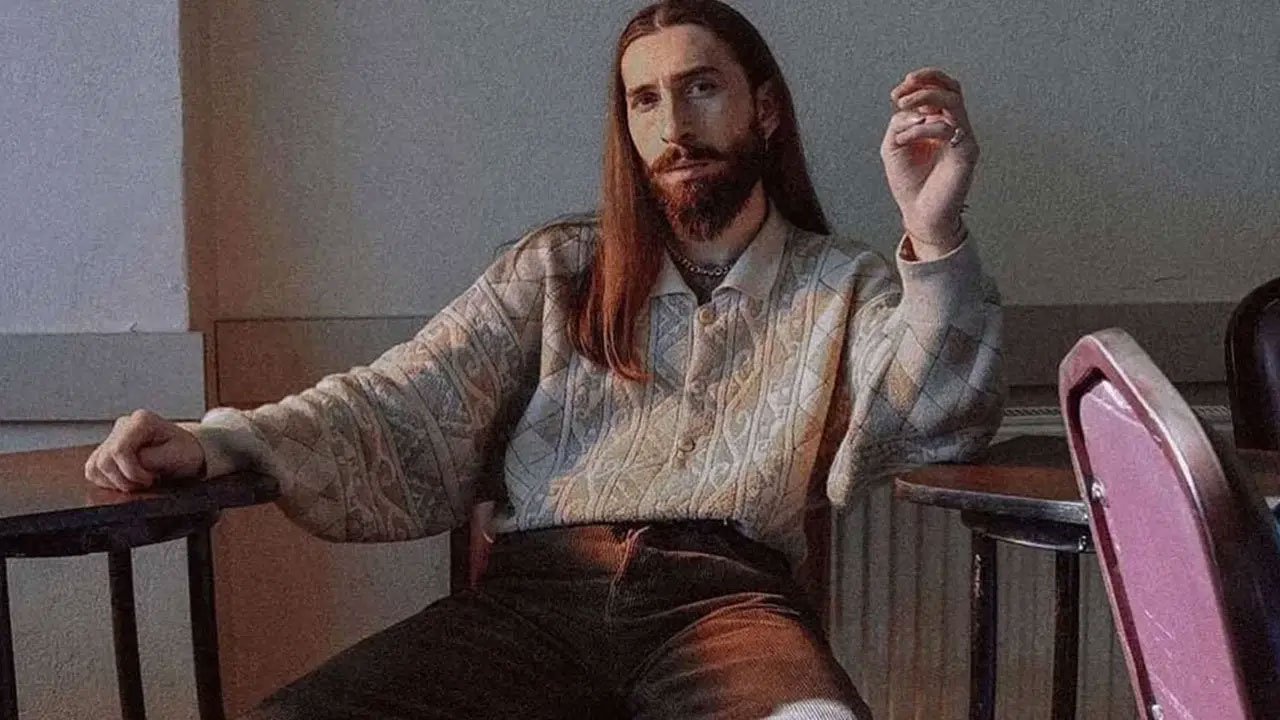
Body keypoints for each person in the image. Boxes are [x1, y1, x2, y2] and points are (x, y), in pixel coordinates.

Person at [85, 1, 1004, 717]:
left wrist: (932, 230)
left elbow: (937, 419)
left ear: (763, 110)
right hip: (533, 603)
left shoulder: (840, 282)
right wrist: (220, 440)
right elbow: (406, 398)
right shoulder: (559, 269)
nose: (674, 126)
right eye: (645, 100)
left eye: (701, 88)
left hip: (728, 608)